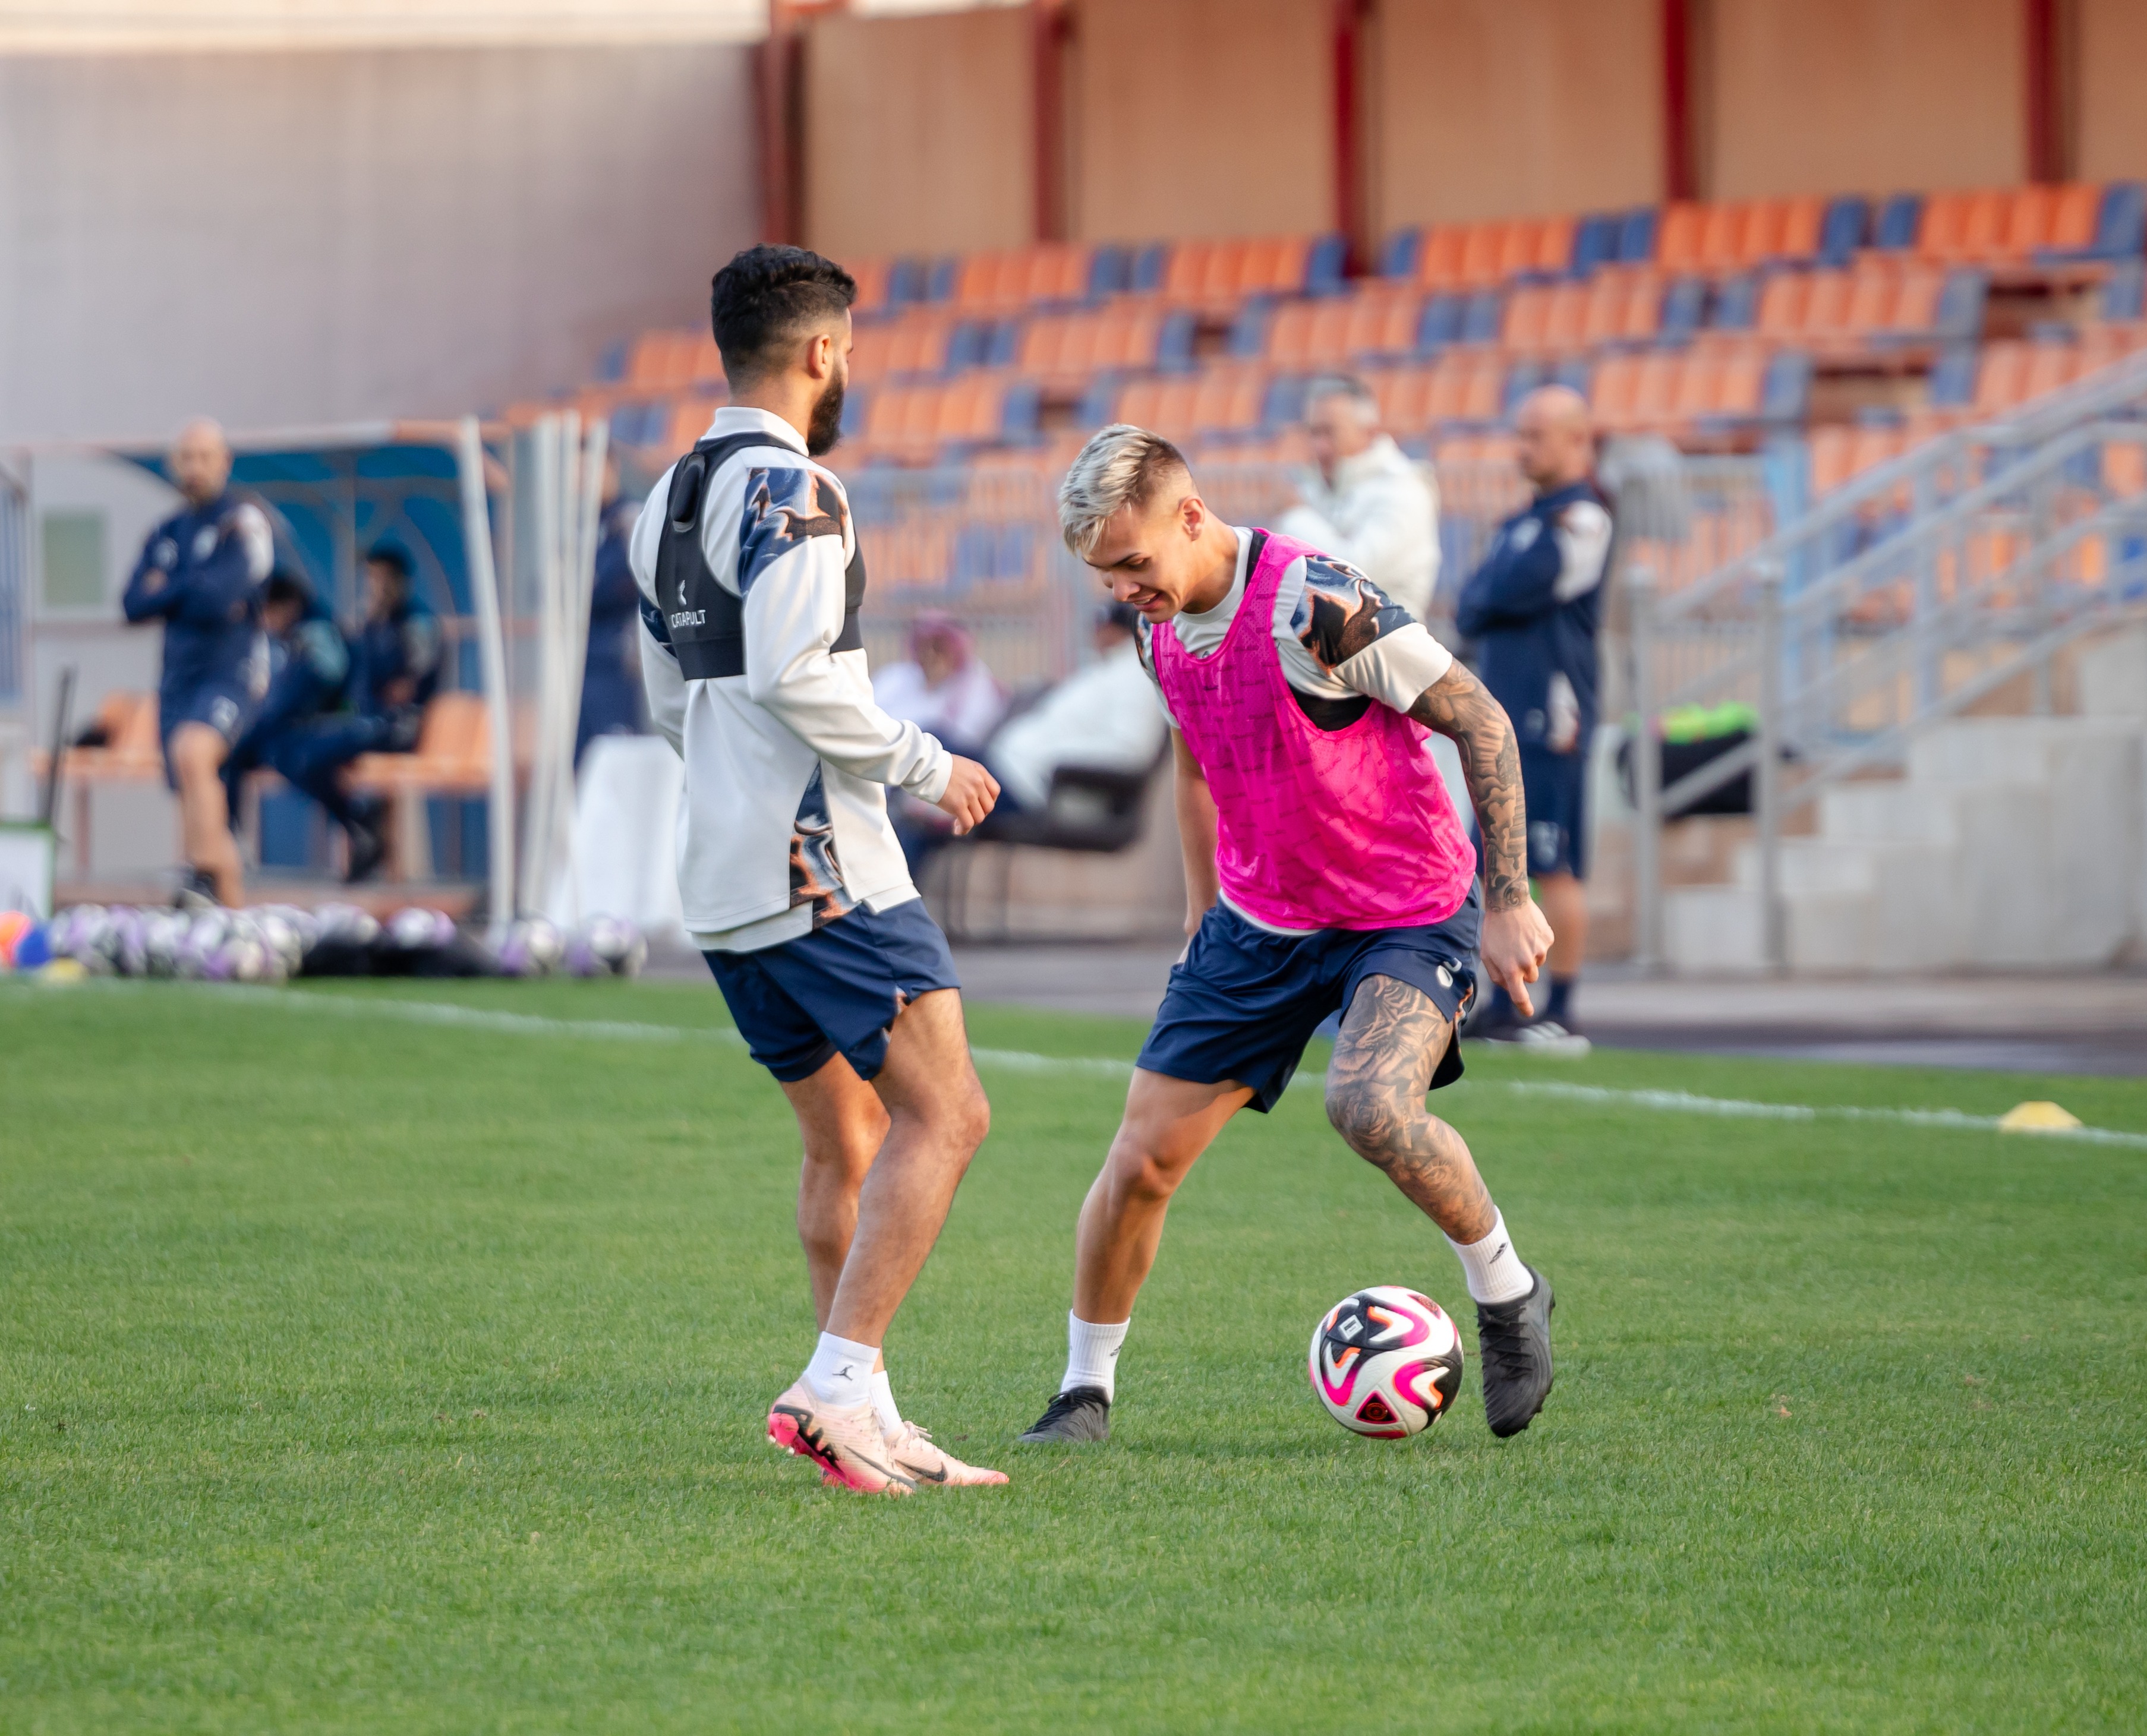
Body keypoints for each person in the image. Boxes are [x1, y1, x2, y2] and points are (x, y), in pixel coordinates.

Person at [1016, 425, 1558, 1448]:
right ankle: (1083, 1390)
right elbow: (1190, 757)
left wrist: (1511, 895)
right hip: (1257, 921)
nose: (1124, 588)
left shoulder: (1318, 602)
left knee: (1366, 1105)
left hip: (1401, 909)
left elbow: (1480, 720)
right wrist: (1194, 914)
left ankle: (1506, 1290)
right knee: (1138, 1162)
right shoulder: (1156, 624)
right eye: (1103, 575)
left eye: (1133, 563)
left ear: (1189, 516)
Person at [631, 243, 1004, 1496]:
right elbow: (798, 676)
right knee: (948, 1115)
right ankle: (834, 1382)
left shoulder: (666, 499)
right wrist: (922, 761)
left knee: (848, 1139)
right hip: (821, 865)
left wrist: (740, 787)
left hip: (726, 881)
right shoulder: (803, 493)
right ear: (821, 352)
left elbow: (672, 702)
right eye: (850, 349)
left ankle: (869, 1409)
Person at [1454, 386, 1612, 1050]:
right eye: (1520, 435)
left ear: (1578, 441)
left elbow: (1519, 585)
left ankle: (1561, 1006)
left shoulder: (1585, 518)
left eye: (1537, 435)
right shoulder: (1523, 522)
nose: (1524, 448)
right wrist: (1494, 592)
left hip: (1553, 716)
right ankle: (1505, 1002)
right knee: (1488, 860)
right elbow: (1471, 605)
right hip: (1499, 717)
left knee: (1551, 861)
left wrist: (1495, 591)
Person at [121, 418, 273, 907]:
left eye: (205, 457)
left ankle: (203, 874)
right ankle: (230, 913)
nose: (195, 467)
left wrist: (169, 587)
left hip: (231, 670)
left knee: (194, 753)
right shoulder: (167, 530)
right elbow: (131, 604)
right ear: (173, 464)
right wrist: (191, 585)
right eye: (187, 457)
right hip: (178, 675)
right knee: (189, 786)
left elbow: (220, 596)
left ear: (225, 463)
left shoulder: (243, 522)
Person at [272, 542, 442, 882]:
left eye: (381, 579)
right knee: (285, 751)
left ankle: (362, 824)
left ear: (399, 581)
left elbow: (408, 686)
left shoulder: (416, 623)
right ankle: (358, 821)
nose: (374, 587)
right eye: (370, 578)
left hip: (398, 726)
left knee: (305, 754)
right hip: (365, 723)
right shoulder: (372, 626)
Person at [1276, 374, 1442, 621]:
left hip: (1387, 644)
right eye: (1314, 433)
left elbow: (1353, 575)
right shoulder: (1315, 487)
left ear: (1370, 432)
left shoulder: (1403, 489)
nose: (1320, 446)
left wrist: (1297, 516)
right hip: (1329, 646)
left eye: (1330, 432)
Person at [985, 601, 1168, 812]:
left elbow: (1130, 752)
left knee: (946, 778)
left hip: (1035, 785)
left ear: (1115, 630)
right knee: (947, 769)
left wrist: (1048, 756)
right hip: (1016, 770)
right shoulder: (1112, 666)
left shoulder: (1136, 676)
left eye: (1102, 626)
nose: (1095, 633)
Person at [220, 570, 351, 835]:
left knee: (280, 755)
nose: (268, 622)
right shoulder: (287, 638)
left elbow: (327, 678)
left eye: (271, 613)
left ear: (290, 606)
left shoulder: (316, 632)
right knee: (232, 754)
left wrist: (273, 715)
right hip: (288, 726)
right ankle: (226, 834)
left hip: (316, 726)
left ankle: (355, 818)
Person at [576, 481, 647, 768]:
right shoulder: (575, 520)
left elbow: (626, 582)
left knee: (617, 755)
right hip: (577, 659)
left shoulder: (631, 519)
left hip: (620, 661)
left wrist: (592, 589)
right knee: (580, 760)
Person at [871, 611, 1007, 755]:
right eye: (923, 647)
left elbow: (966, 738)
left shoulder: (975, 685)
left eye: (939, 648)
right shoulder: (895, 677)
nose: (930, 655)